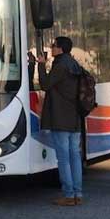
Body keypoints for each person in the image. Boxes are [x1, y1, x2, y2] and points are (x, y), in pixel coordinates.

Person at [36, 36, 84, 207]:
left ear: (60, 49)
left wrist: (41, 64)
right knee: (75, 157)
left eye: (53, 45)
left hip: (61, 118)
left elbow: (45, 84)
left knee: (63, 158)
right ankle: (78, 193)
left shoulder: (61, 65)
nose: (51, 47)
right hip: (75, 118)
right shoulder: (74, 65)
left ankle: (69, 195)